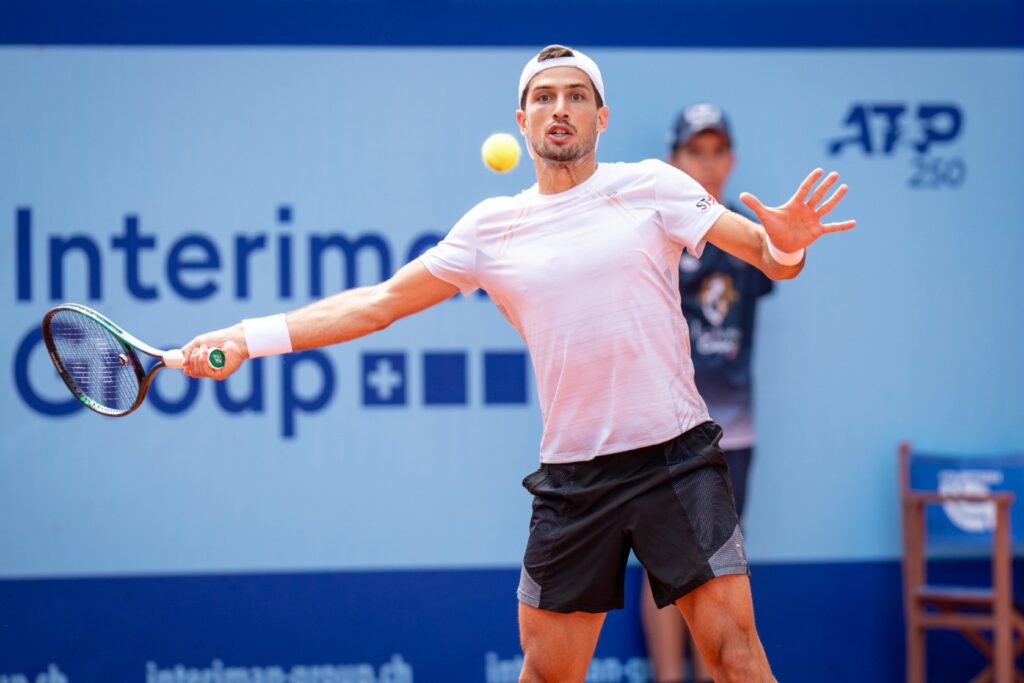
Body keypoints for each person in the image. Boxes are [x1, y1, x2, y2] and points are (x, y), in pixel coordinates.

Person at [180, 45, 854, 683]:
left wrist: (786, 246)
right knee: (546, 673)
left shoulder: (652, 185)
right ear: (522, 119)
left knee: (736, 658)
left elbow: (766, 255)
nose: (560, 107)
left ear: (602, 117)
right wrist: (245, 336)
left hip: (676, 461)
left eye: (576, 96)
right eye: (544, 96)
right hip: (574, 480)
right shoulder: (490, 228)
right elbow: (377, 304)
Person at [640, 103, 774, 683]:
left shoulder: (746, 238)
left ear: (732, 160)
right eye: (695, 151)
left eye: (718, 151)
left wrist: (787, 242)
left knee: (719, 573)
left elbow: (780, 264)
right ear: (674, 159)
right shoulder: (652, 235)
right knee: (666, 568)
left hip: (732, 431)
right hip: (664, 430)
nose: (708, 163)